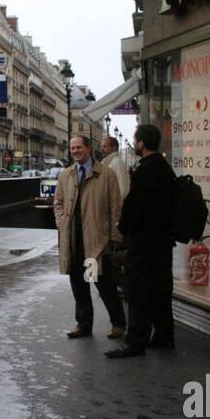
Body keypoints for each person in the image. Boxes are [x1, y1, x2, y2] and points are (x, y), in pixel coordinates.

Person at [111, 123, 178, 358]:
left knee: (137, 292)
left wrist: (123, 228)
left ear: (141, 143)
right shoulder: (165, 169)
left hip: (143, 242)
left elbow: (133, 207)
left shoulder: (145, 171)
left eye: (135, 140)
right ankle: (163, 336)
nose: (135, 143)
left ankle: (135, 342)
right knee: (160, 290)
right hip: (163, 242)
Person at [53, 134, 126, 341]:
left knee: (102, 283)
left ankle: (118, 323)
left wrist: (114, 236)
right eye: (72, 148)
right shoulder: (65, 175)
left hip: (95, 242)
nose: (75, 151)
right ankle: (83, 324)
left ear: (88, 149)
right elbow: (57, 203)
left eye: (79, 147)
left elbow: (115, 208)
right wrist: (62, 222)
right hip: (73, 241)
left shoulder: (105, 174)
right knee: (78, 283)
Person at [101, 135, 131, 201]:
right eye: (102, 147)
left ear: (114, 148)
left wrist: (116, 206)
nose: (102, 149)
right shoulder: (106, 162)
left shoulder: (117, 163)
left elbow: (122, 187)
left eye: (105, 147)